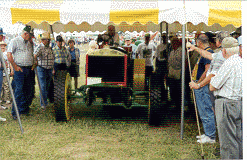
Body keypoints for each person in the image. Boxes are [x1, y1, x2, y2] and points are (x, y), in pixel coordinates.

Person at [209, 37, 242, 159]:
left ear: (224, 51)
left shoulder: (228, 63)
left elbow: (213, 86)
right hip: (238, 102)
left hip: (226, 103)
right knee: (238, 138)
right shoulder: (240, 61)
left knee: (227, 141)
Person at [188, 31, 230, 112]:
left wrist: (199, 84)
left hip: (220, 93)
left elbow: (210, 73)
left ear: (218, 42)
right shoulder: (219, 54)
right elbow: (210, 56)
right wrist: (195, 48)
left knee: (208, 111)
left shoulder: (220, 54)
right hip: (224, 93)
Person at [190, 34, 216, 143]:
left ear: (199, 43)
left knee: (206, 109)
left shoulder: (207, 53)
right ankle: (207, 133)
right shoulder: (205, 52)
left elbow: (207, 71)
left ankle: (210, 136)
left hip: (203, 86)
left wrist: (199, 83)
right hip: (200, 85)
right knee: (202, 110)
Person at [7, 25, 35, 120]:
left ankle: (24, 109)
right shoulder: (14, 41)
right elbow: (9, 54)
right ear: (25, 33)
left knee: (29, 90)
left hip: (29, 69)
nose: (31, 37)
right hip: (19, 69)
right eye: (30, 35)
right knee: (18, 91)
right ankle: (15, 112)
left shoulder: (29, 42)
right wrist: (15, 67)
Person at [34, 32, 55, 110]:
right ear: (43, 40)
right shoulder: (40, 47)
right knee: (42, 86)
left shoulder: (50, 48)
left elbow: (52, 58)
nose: (48, 41)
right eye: (47, 40)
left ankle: (45, 101)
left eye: (49, 40)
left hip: (49, 69)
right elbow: (34, 55)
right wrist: (36, 62)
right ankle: (43, 103)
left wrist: (52, 68)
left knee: (47, 85)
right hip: (41, 68)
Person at [1, 41, 12, 109]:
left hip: (6, 72)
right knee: (1, 86)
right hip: (0, 72)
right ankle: (2, 98)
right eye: (1, 45)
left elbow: (10, 62)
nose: (2, 47)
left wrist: (12, 70)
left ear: (5, 46)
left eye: (3, 45)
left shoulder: (6, 53)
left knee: (6, 85)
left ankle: (7, 99)